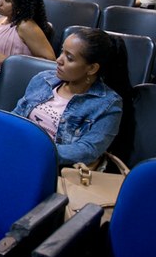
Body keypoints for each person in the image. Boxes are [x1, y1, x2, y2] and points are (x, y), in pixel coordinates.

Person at [13, 28, 132, 166]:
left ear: (92, 68)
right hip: (18, 152)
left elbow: (87, 150)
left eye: (69, 58)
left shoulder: (108, 104)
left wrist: (35, 150)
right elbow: (17, 115)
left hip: (52, 166)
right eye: (62, 51)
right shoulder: (43, 79)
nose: (58, 60)